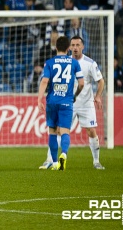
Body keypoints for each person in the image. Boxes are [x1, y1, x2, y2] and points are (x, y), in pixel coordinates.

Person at [39, 36, 105, 170]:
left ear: (83, 47)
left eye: (77, 45)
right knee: (59, 131)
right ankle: (49, 160)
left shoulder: (90, 63)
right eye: (73, 45)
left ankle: (96, 161)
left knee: (91, 130)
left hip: (86, 103)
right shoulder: (67, 62)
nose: (75, 48)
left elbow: (101, 81)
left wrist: (98, 96)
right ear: (69, 47)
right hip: (69, 102)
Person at [37, 36, 84, 171]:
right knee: (65, 131)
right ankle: (64, 154)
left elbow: (45, 81)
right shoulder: (74, 63)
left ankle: (54, 161)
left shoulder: (49, 63)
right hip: (66, 102)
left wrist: (39, 99)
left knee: (52, 131)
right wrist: (75, 95)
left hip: (52, 101)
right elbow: (81, 83)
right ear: (68, 48)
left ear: (56, 47)